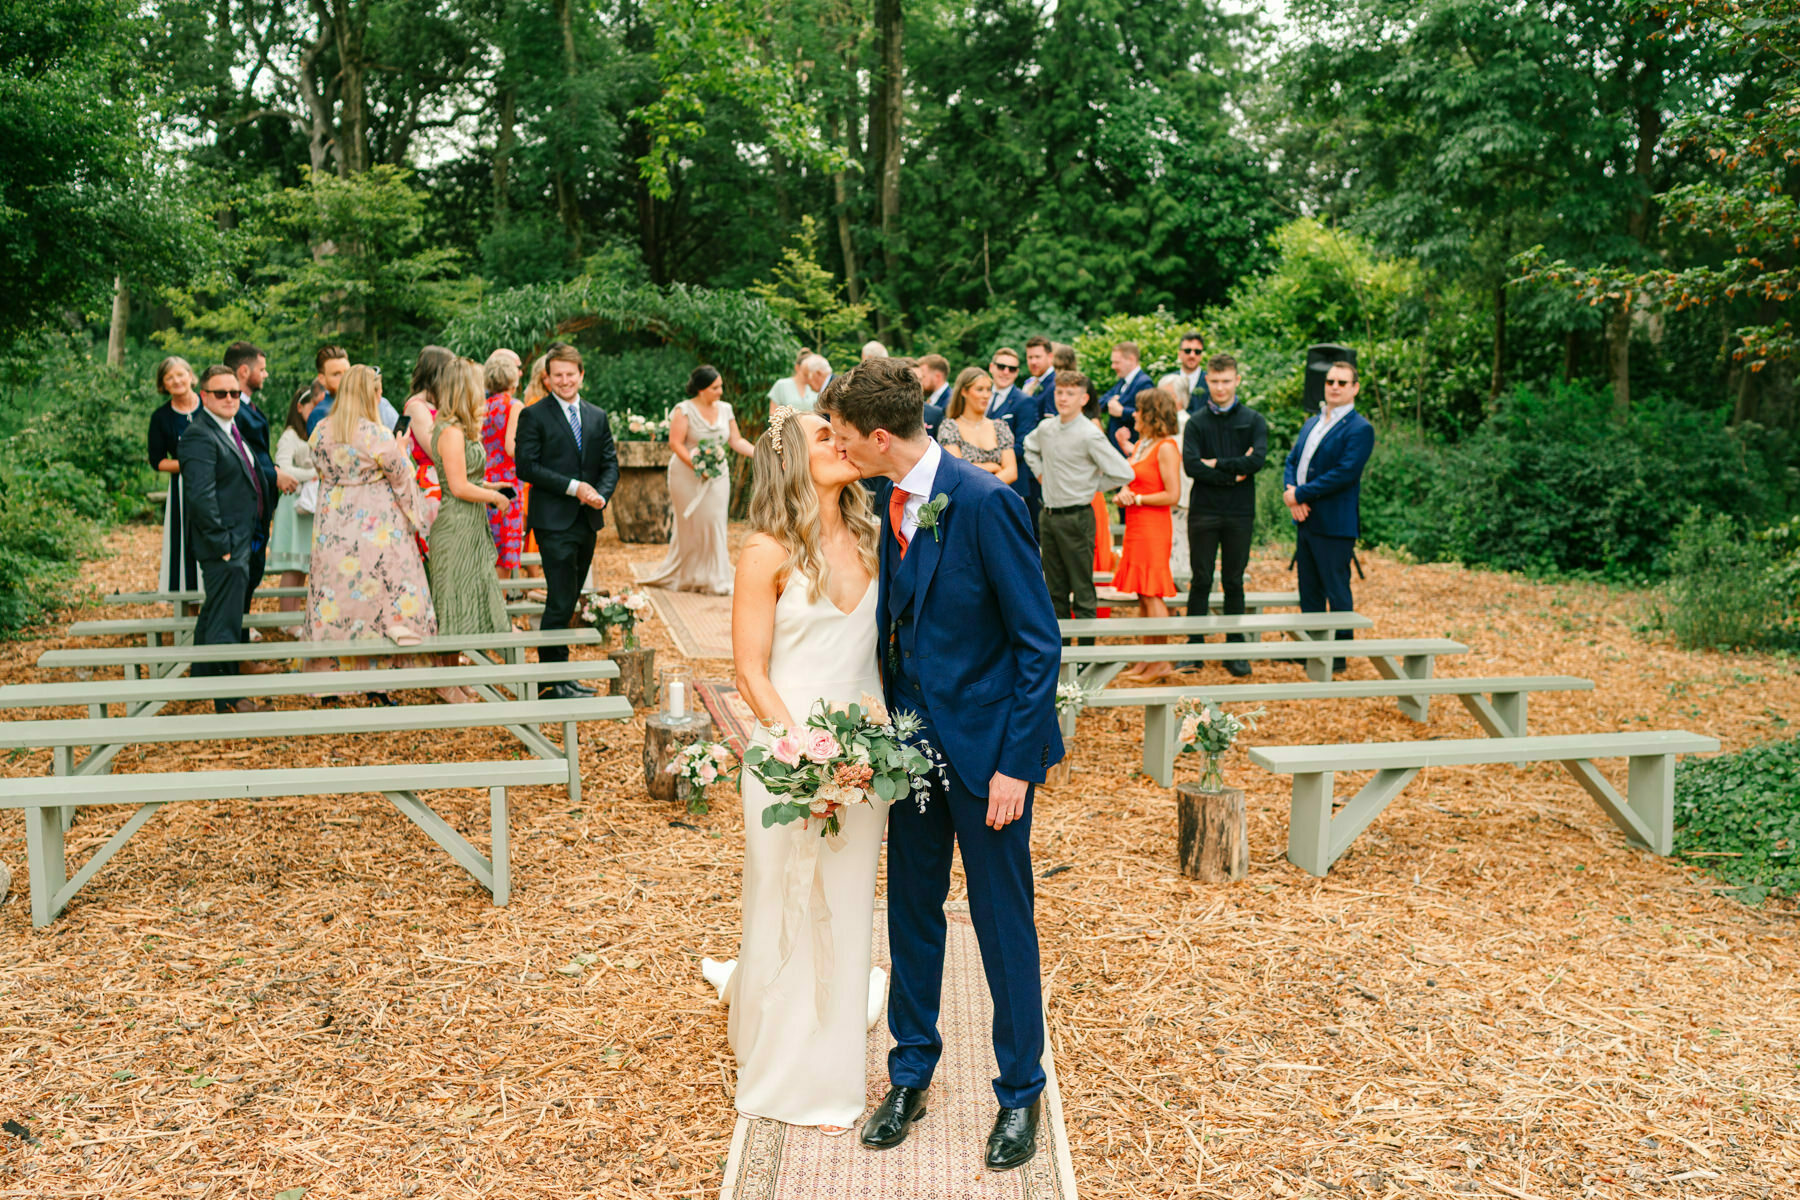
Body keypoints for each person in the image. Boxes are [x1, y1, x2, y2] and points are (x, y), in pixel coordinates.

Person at [827, 357, 1062, 1172]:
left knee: (1004, 926)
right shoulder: (885, 499)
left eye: (844, 437)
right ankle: (911, 1074)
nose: (837, 446)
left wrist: (1015, 766)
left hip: (990, 755)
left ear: (882, 437)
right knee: (913, 915)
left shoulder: (988, 503)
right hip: (911, 750)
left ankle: (1021, 1094)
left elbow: (1040, 644)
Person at [707, 405, 889, 1134]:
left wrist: (861, 755)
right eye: (826, 435)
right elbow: (749, 674)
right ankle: (778, 1056)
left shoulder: (879, 541)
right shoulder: (766, 550)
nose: (842, 442)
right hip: (790, 757)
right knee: (783, 897)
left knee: (846, 907)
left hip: (867, 761)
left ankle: (833, 1060)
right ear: (792, 459)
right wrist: (805, 756)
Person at [304, 364, 437, 700]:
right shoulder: (376, 435)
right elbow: (401, 479)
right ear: (373, 394)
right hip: (376, 528)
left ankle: (327, 680)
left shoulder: (320, 431)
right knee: (379, 600)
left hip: (333, 524)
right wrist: (418, 518)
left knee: (336, 598)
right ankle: (377, 681)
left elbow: (320, 468)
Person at [515, 342, 618, 696]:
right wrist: (575, 488)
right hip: (553, 521)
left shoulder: (596, 415)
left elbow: (610, 464)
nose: (564, 381)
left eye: (570, 375)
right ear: (547, 378)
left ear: (581, 375)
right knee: (559, 598)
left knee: (569, 598)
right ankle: (549, 682)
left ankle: (560, 675)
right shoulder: (534, 415)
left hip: (588, 520)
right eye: (557, 375)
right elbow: (526, 466)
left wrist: (600, 495)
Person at [178, 366, 277, 714]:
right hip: (223, 546)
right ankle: (230, 700)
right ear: (204, 396)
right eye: (221, 393)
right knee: (226, 622)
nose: (230, 399)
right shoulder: (198, 436)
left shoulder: (231, 428)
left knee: (214, 615)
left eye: (234, 393)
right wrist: (222, 546)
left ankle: (199, 684)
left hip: (242, 540)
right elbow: (200, 497)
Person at [425, 360, 512, 702]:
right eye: (478, 385)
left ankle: (458, 674)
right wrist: (493, 497)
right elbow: (458, 486)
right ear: (466, 389)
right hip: (456, 526)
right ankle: (445, 680)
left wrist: (494, 485)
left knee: (465, 601)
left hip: (470, 523)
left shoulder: (458, 428)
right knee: (453, 603)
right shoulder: (449, 431)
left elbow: (467, 478)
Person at [1284, 360, 1374, 673]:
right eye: (1330, 381)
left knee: (1336, 590)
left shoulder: (1360, 429)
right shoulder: (1312, 423)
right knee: (1308, 589)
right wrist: (1290, 491)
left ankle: (1337, 655)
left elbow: (1345, 473)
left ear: (1355, 388)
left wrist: (1301, 494)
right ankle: (1310, 648)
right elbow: (1292, 460)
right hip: (1305, 518)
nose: (1334, 387)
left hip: (1334, 523)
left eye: (1342, 382)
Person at [1024, 371, 1136, 624]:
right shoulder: (1046, 428)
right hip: (1048, 515)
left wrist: (1091, 486)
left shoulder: (1089, 434)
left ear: (1083, 399)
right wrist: (1041, 473)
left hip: (1077, 517)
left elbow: (1123, 472)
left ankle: (1087, 658)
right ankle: (1062, 655)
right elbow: (1029, 448)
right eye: (1059, 392)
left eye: (1070, 394)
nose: (1063, 398)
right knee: (1054, 590)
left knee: (1082, 589)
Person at [1185, 353, 1268, 676]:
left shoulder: (1253, 420)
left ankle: (1235, 647)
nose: (1221, 387)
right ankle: (1194, 646)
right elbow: (1191, 466)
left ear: (1237, 381)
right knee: (1201, 579)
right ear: (1207, 381)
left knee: (1234, 580)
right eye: (1215, 381)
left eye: (1226, 381)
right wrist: (1234, 471)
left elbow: (1257, 460)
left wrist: (1216, 464)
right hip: (1204, 511)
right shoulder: (1196, 422)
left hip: (1239, 512)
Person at [641, 366, 756, 594]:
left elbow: (736, 440)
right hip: (686, 474)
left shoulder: (726, 409)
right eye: (715, 387)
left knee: (714, 521)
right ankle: (691, 575)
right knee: (691, 525)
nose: (720, 391)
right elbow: (675, 443)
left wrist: (760, 452)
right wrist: (698, 466)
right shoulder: (684, 410)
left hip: (718, 475)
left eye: (720, 386)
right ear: (701, 389)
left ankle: (715, 578)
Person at [1111, 388, 1183, 681]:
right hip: (1136, 525)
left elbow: (1173, 494)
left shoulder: (1166, 447)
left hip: (1154, 526)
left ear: (1153, 414)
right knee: (1143, 593)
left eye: (1139, 410)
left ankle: (1161, 662)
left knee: (1153, 592)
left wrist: (1137, 499)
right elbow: (1136, 477)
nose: (1134, 414)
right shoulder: (1143, 443)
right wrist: (1124, 492)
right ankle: (1145, 658)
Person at [223, 340, 297, 614]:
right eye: (262, 369)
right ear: (244, 371)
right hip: (244, 506)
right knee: (243, 573)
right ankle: (236, 644)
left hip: (261, 503)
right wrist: (274, 474)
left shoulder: (249, 408)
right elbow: (241, 454)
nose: (265, 374)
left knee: (253, 572)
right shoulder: (232, 411)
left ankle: (241, 631)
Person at [147, 356, 203, 595]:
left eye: (180, 374)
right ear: (164, 385)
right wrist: (188, 464)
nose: (177, 381)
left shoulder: (210, 406)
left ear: (191, 376)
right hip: (182, 490)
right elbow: (157, 461)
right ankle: (188, 615)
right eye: (169, 378)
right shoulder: (161, 418)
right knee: (185, 547)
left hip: (216, 484)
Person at [268, 383, 321, 614]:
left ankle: (302, 616)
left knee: (307, 565)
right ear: (300, 407)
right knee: (293, 566)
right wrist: (315, 474)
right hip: (294, 504)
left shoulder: (320, 432)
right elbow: (282, 468)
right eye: (314, 406)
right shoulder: (290, 436)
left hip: (313, 506)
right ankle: (286, 618)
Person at [984, 346, 1042, 526]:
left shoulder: (1025, 402)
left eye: (1012, 369)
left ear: (1017, 373)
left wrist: (989, 461)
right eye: (1001, 366)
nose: (1006, 372)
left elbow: (1023, 444)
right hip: (980, 477)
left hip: (1012, 482)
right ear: (991, 367)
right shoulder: (981, 394)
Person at [481, 352, 526, 580]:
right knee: (505, 554)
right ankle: (500, 611)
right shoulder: (514, 406)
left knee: (490, 548)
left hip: (485, 482)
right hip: (508, 482)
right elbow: (511, 447)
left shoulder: (482, 406)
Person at [937, 367, 1017, 485]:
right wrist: (991, 466)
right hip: (968, 499)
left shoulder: (1000, 427)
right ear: (964, 392)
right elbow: (958, 470)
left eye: (989, 390)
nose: (986, 395)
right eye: (979, 389)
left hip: (998, 497)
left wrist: (989, 489)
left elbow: (1011, 472)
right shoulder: (950, 427)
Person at [307, 344, 399, 433]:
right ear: (322, 379)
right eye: (336, 374)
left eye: (348, 372)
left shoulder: (378, 402)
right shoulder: (320, 413)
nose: (345, 378)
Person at [1099, 341, 1154, 456]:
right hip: (1115, 449)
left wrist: (1121, 412)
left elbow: (1149, 415)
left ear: (1131, 359)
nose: (1113, 366)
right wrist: (1111, 400)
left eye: (1117, 362)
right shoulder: (1122, 382)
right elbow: (1100, 402)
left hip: (1130, 449)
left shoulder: (1144, 383)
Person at [1160, 331, 1209, 413]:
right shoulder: (1167, 381)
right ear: (1179, 354)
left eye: (1197, 352)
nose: (1192, 355)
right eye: (1187, 351)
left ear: (1201, 356)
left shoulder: (1210, 381)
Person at [767, 346, 817, 415]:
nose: (808, 376)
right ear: (797, 367)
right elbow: (772, 413)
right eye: (805, 373)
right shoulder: (781, 385)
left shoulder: (816, 387)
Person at [916, 353, 950, 439]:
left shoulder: (950, 402)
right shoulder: (932, 399)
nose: (920, 382)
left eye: (923, 377)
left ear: (937, 377)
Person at [1020, 335, 1055, 399]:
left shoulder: (1055, 384)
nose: (1033, 362)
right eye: (1030, 357)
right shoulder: (1030, 383)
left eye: (1038, 357)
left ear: (1050, 357)